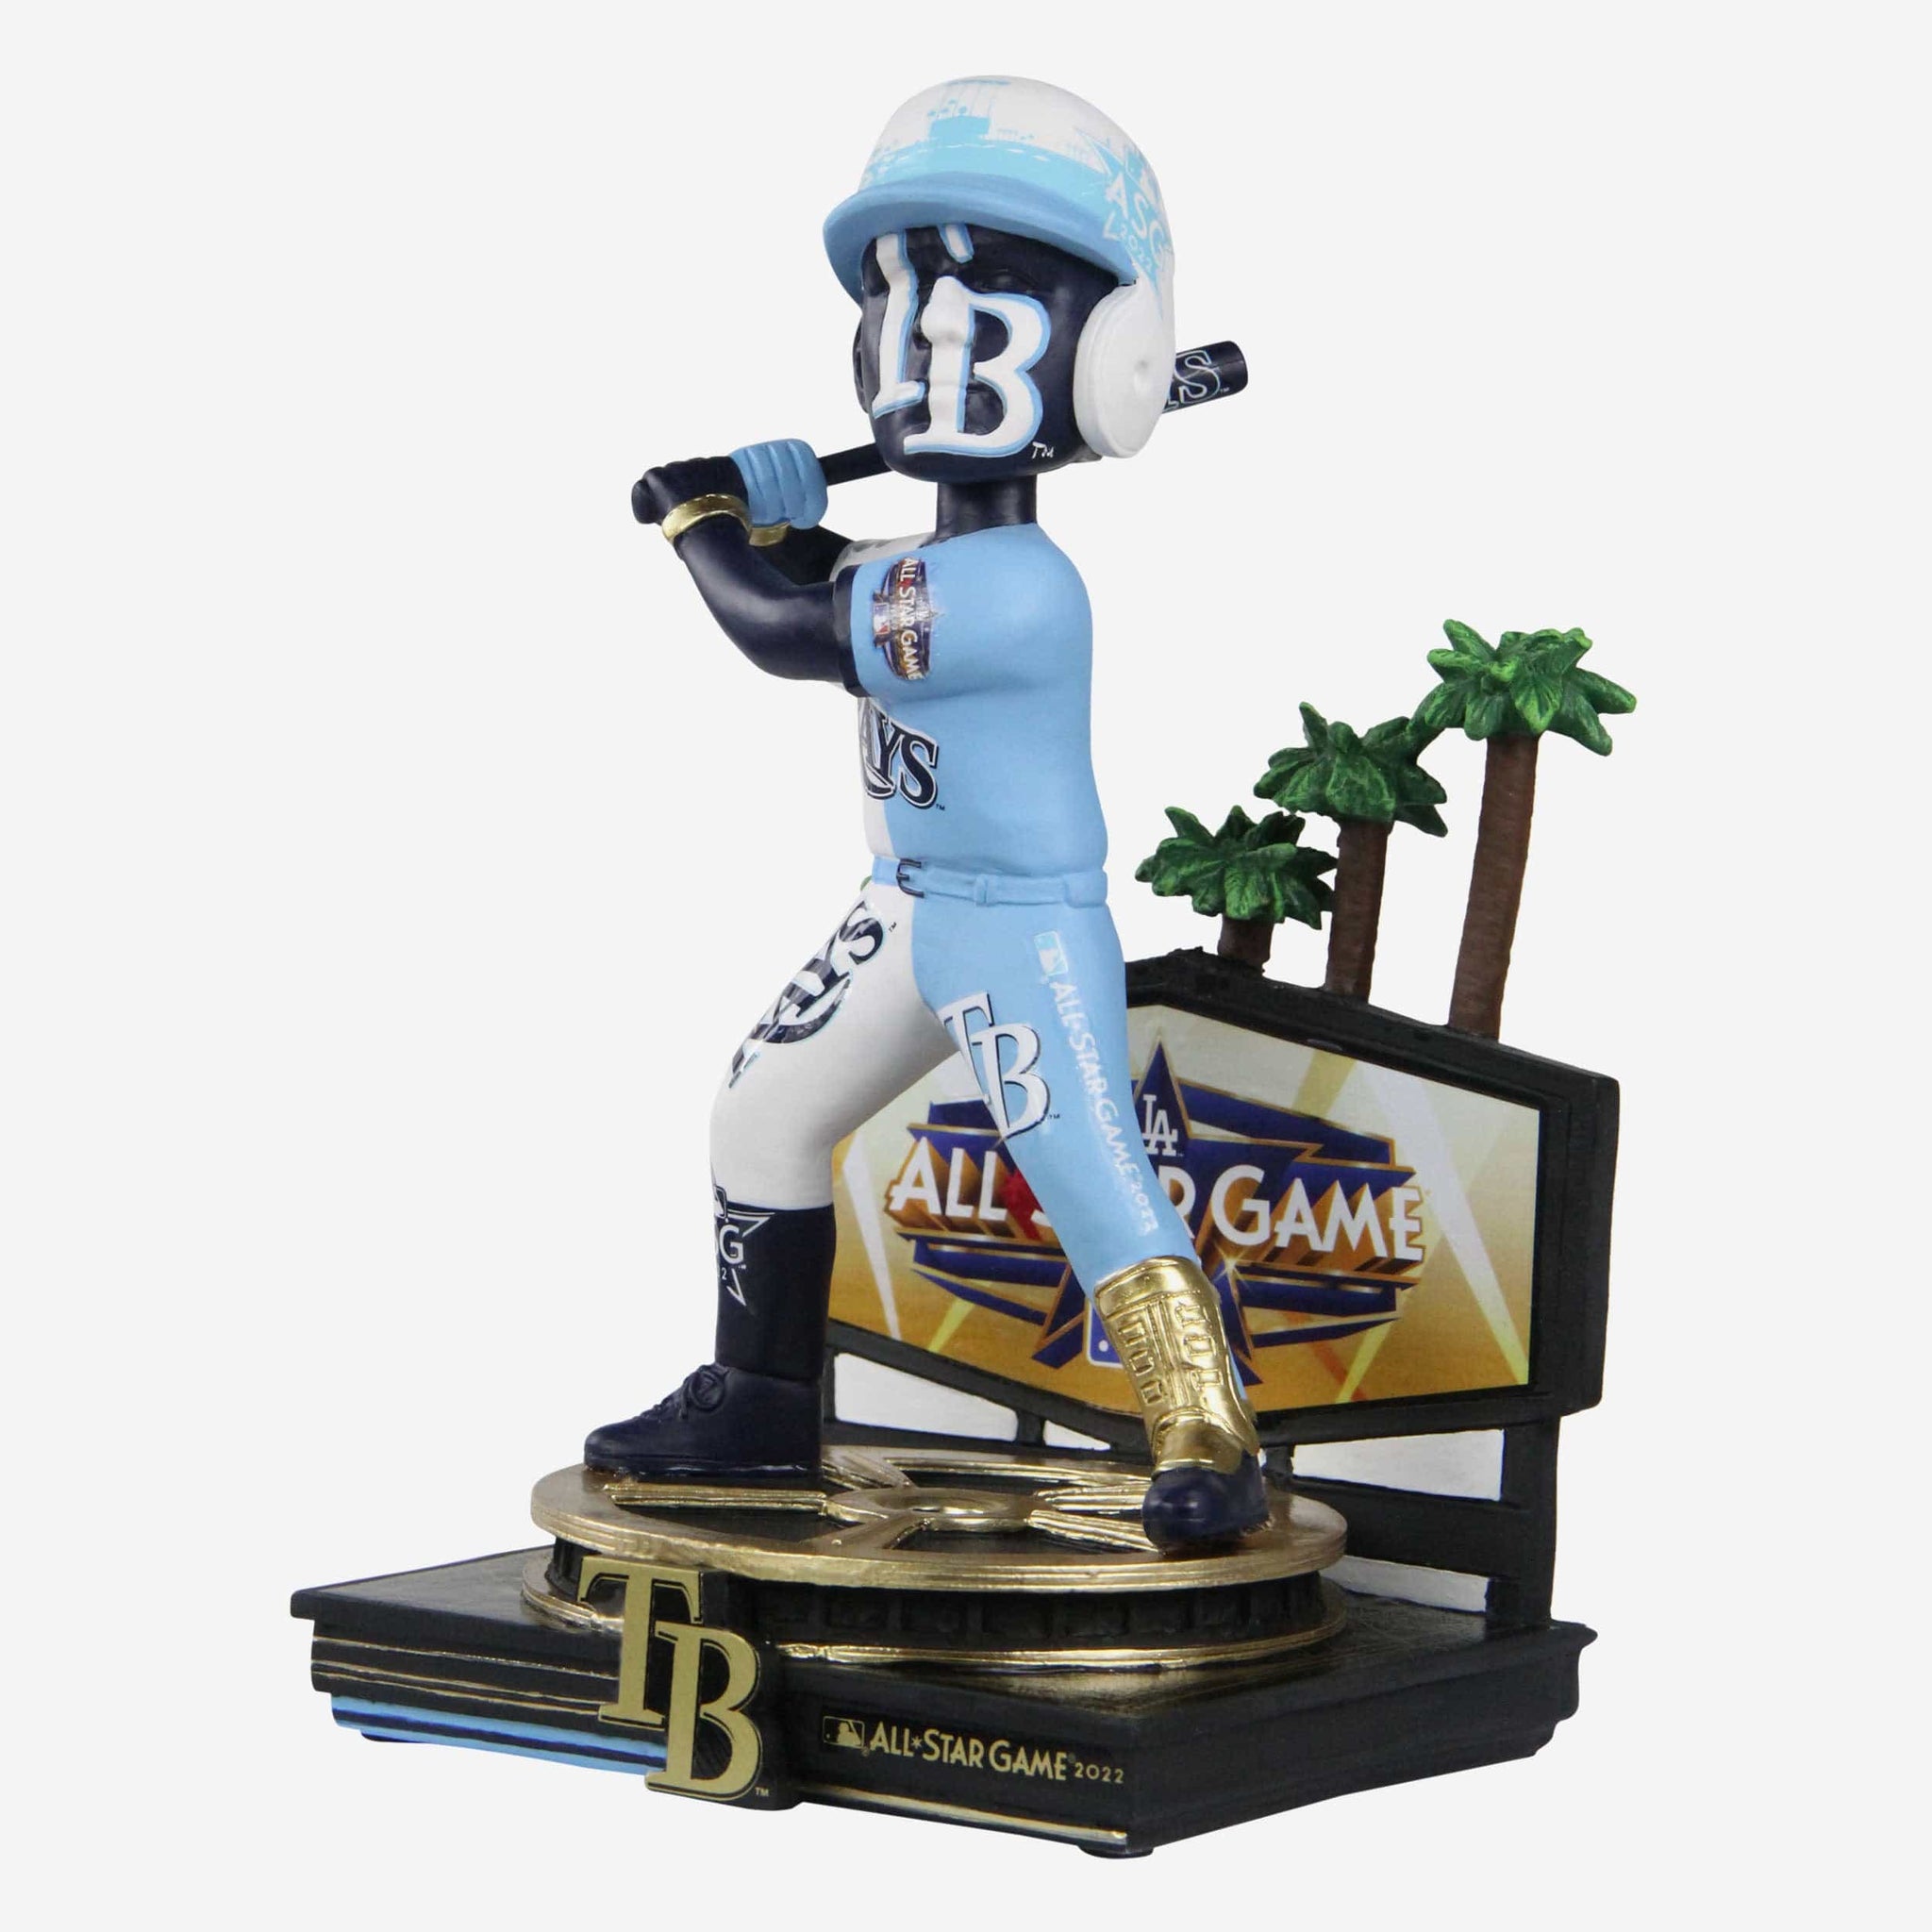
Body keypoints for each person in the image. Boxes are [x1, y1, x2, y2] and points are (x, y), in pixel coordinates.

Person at [589, 77, 1265, 1548]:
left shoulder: (1019, 590)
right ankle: (759, 1401)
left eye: (983, 300)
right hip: (907, 906)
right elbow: (829, 569)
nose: (933, 340)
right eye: (905, 300)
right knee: (764, 1114)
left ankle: (1208, 1431)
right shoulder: (932, 559)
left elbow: (787, 626)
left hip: (1017, 928)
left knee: (1087, 1171)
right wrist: (772, 509)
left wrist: (704, 523)